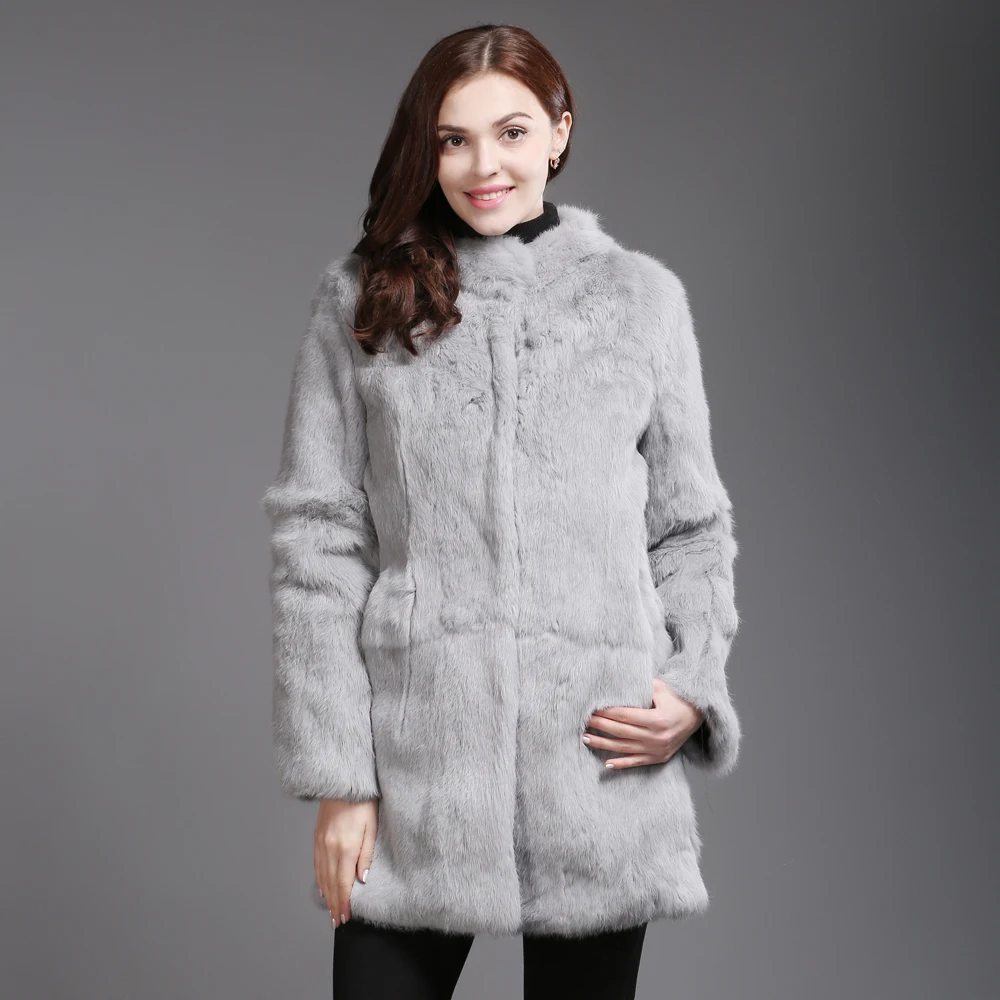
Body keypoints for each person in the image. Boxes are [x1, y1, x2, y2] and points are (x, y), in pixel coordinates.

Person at [261, 23, 742, 1000]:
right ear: (426, 149)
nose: (484, 166)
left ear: (559, 132)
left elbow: (690, 529)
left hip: (598, 767)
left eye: (512, 132)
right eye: (454, 140)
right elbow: (319, 541)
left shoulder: (639, 301)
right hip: (419, 769)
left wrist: (693, 687)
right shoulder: (362, 300)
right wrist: (342, 779)